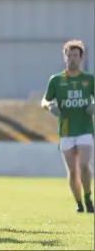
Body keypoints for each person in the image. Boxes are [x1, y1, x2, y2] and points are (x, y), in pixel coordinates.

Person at [41, 40, 94, 214]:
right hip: (66, 131)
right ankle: (78, 202)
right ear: (65, 57)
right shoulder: (56, 80)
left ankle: (88, 197)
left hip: (85, 129)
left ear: (81, 58)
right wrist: (50, 106)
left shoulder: (89, 79)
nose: (72, 59)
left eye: (75, 55)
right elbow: (44, 100)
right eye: (69, 55)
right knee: (72, 171)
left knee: (84, 165)